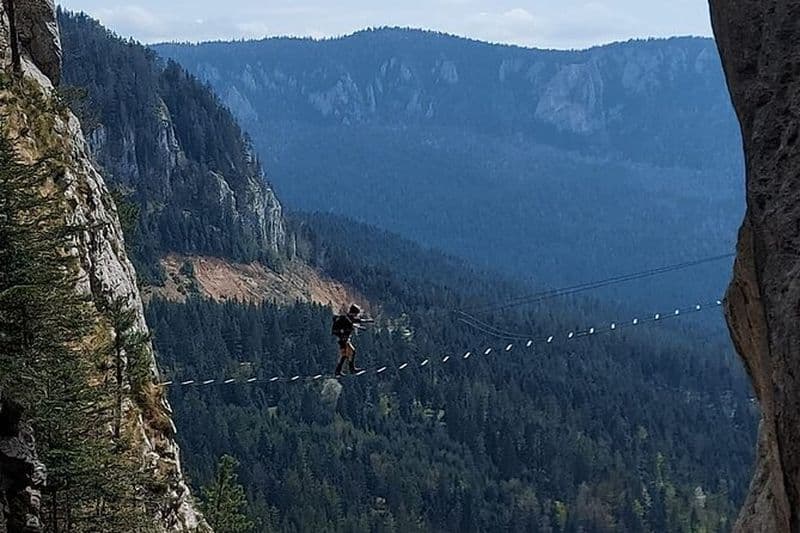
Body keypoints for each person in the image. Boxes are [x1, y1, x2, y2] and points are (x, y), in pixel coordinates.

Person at [332, 304, 373, 377]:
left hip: (343, 339)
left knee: (346, 354)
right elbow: (358, 321)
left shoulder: (347, 318)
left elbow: (355, 322)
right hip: (343, 339)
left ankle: (340, 370)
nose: (356, 315)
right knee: (349, 353)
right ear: (353, 313)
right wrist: (369, 321)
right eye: (356, 314)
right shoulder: (347, 318)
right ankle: (349, 369)